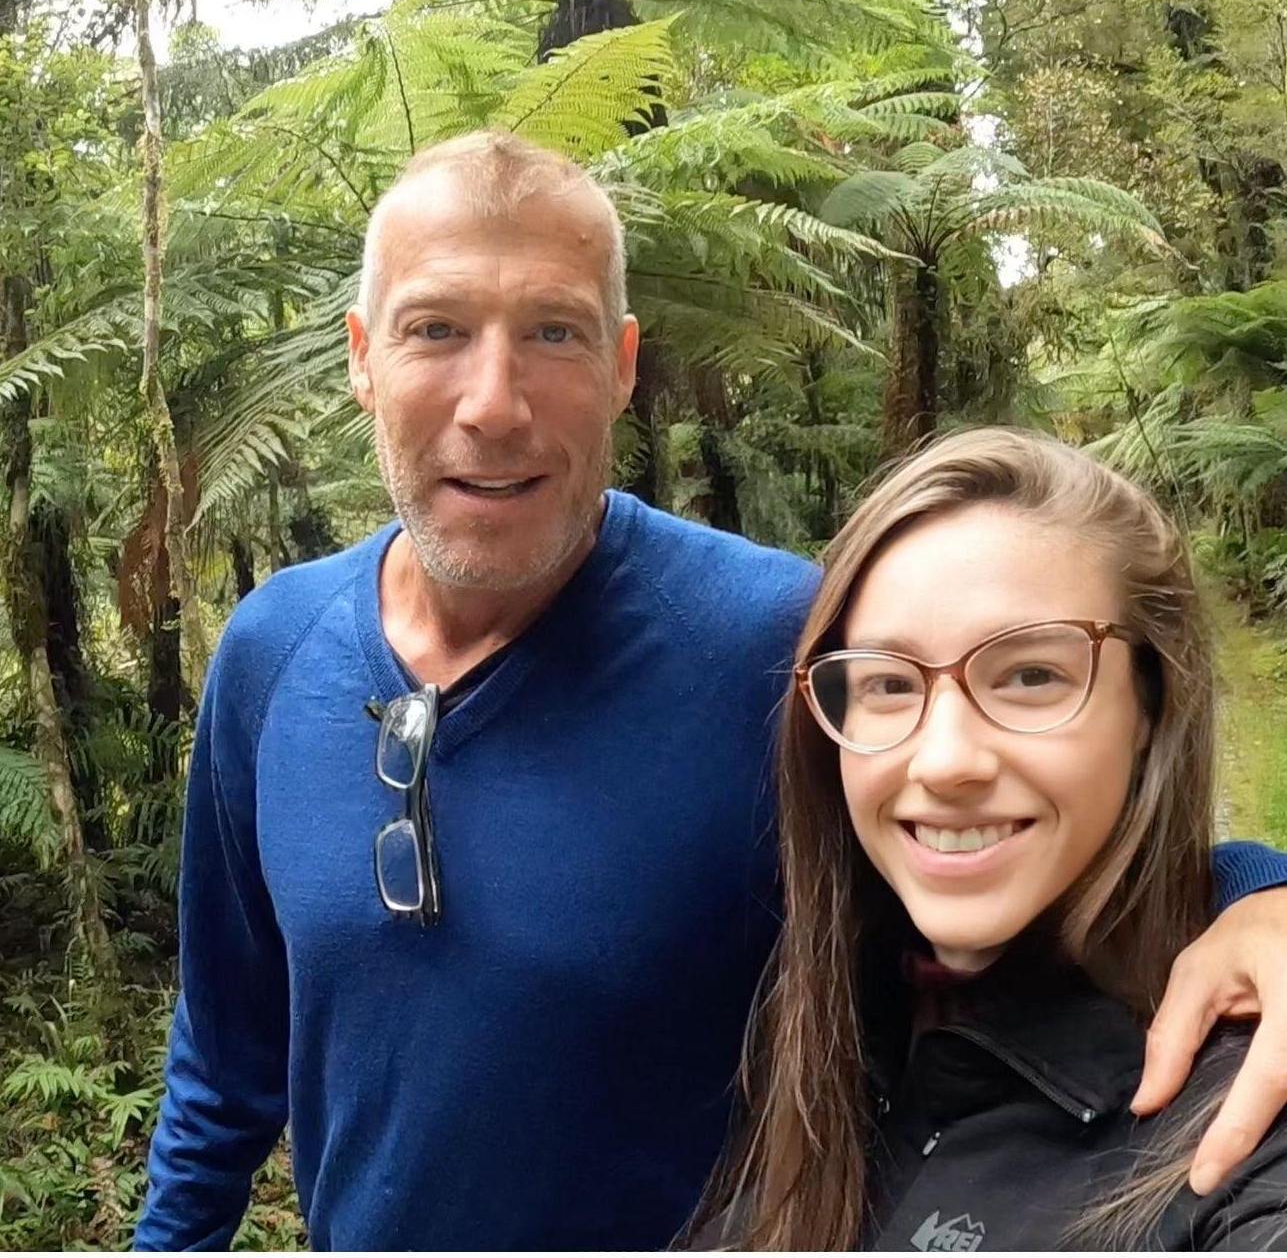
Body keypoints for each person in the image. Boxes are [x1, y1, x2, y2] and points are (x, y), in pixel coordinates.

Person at [136, 133, 1287, 1251]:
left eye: (554, 332)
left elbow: (1026, 832)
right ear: (361, 356)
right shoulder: (274, 653)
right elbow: (228, 1051)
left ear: (625, 368)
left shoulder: (770, 642)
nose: (493, 401)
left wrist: (1258, 893)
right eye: (435, 329)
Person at [689, 428, 1287, 1250]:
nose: (944, 760)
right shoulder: (815, 1019)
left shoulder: (1253, 1107)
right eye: (888, 683)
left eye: (1031, 674)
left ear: (1150, 702)